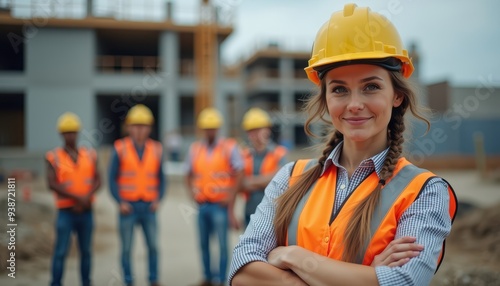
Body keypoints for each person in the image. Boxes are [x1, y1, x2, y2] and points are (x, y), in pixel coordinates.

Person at [229, 4, 458, 286]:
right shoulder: (289, 178)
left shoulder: (424, 192)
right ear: (326, 99)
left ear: (397, 95)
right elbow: (241, 272)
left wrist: (293, 257)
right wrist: (368, 276)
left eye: (371, 87)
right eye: (339, 89)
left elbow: (404, 281)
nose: (354, 104)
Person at [108, 104, 166, 286]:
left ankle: (153, 279)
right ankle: (128, 281)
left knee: (154, 247)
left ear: (149, 128)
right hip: (128, 207)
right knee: (126, 249)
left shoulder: (156, 149)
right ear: (129, 127)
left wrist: (159, 199)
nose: (140, 130)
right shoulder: (120, 148)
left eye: (143, 126)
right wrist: (120, 201)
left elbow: (162, 179)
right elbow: (111, 179)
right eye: (136, 125)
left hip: (149, 207)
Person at [185, 107, 244, 286]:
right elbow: (187, 173)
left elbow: (239, 172)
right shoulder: (195, 149)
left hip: (220, 205)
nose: (210, 131)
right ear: (202, 129)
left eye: (213, 128)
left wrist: (230, 197)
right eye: (206, 128)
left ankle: (222, 279)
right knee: (203, 244)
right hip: (203, 205)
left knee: (222, 244)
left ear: (218, 128)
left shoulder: (228, 147)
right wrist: (191, 194)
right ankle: (208, 277)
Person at [46, 112, 101, 286]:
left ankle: (86, 282)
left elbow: (98, 179)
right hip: (66, 213)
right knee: (61, 251)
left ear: (78, 133)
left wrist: (87, 196)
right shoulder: (53, 157)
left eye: (73, 132)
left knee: (86, 252)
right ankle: (55, 283)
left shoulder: (90, 155)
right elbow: (52, 183)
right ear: (61, 134)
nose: (70, 135)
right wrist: (78, 198)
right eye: (66, 132)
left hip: (86, 212)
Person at [240, 107, 288, 227]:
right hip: (249, 211)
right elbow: (239, 183)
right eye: (251, 131)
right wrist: (265, 181)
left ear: (267, 130)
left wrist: (251, 182)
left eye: (258, 130)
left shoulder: (279, 153)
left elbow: (279, 179)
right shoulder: (244, 155)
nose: (255, 135)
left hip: (273, 213)